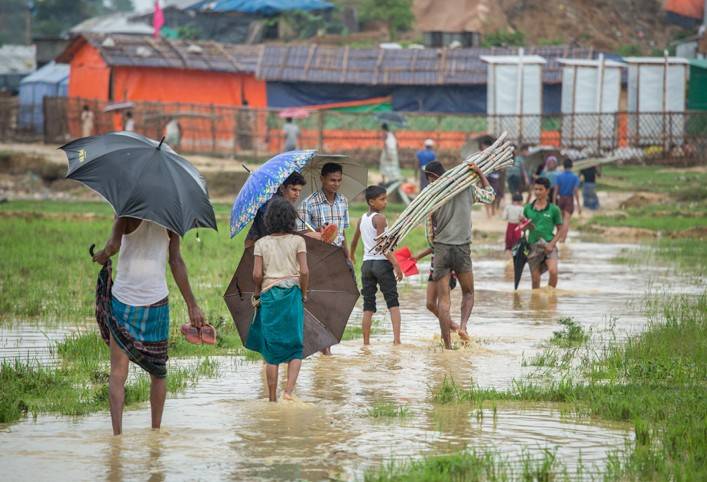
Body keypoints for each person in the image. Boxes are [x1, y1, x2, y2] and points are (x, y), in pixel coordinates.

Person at [92, 217, 205, 435]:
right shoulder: (171, 218)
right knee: (158, 372)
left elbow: (113, 246)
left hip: (123, 301)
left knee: (117, 374)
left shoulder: (126, 212)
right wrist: (192, 304)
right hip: (156, 303)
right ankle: (155, 431)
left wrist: (101, 255)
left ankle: (117, 436)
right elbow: (176, 262)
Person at [423, 160, 495, 349]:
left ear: (433, 177)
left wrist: (436, 246)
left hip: (441, 249)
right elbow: (489, 197)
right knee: (468, 292)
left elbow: (429, 233)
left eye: (429, 178)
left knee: (444, 300)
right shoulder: (467, 188)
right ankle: (462, 327)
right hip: (462, 248)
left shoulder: (431, 196)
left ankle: (447, 346)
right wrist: (480, 174)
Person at [248, 198, 309, 402]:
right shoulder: (298, 241)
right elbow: (305, 271)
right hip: (292, 295)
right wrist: (304, 292)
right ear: (291, 219)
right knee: (295, 347)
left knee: (271, 352)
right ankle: (289, 392)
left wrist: (258, 292)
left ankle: (272, 399)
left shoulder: (261, 243)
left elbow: (257, 274)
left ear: (269, 220)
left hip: (269, 296)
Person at [297, 162, 350, 355]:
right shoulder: (309, 203)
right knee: (321, 302)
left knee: (336, 302)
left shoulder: (343, 201)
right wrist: (318, 234)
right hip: (318, 258)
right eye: (332, 180)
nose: (336, 184)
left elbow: (343, 232)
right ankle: (323, 346)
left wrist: (348, 256)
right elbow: (300, 232)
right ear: (322, 179)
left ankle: (326, 344)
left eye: (339, 180)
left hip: (337, 257)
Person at [349, 186, 404, 345]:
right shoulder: (380, 218)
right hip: (381, 264)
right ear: (371, 202)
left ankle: (366, 344)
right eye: (382, 199)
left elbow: (354, 241)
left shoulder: (362, 219)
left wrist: (352, 255)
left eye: (385, 198)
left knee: (368, 306)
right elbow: (382, 245)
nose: (385, 202)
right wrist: (396, 264)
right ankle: (397, 342)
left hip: (367, 265)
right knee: (393, 303)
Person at [245, 172, 307, 249]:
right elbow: (282, 238)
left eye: (299, 191)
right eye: (294, 189)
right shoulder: (274, 208)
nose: (297, 194)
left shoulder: (280, 204)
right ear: (282, 188)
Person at [521, 177, 563, 289]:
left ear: (547, 191)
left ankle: (551, 299)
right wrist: (525, 226)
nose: (537, 192)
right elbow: (522, 229)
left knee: (553, 272)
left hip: (549, 245)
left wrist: (551, 244)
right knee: (535, 280)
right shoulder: (527, 209)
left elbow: (560, 229)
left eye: (540, 189)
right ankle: (536, 304)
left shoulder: (554, 210)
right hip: (533, 246)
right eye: (535, 189)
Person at [554, 158, 581, 243]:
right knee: (566, 220)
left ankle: (559, 237)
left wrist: (554, 202)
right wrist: (579, 205)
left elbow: (556, 190)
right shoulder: (575, 177)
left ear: (564, 166)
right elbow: (575, 191)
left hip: (560, 198)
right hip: (569, 198)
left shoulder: (559, 176)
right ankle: (563, 239)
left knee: (561, 220)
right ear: (572, 166)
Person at [478, 136, 501, 217]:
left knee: (493, 195)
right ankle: (488, 213)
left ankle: (493, 210)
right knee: (485, 194)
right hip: (485, 177)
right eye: (483, 146)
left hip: (494, 177)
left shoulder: (495, 155)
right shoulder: (480, 155)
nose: (484, 147)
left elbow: (499, 166)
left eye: (485, 146)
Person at [503, 193, 525, 257]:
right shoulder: (521, 208)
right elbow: (522, 218)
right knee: (516, 240)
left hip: (510, 225)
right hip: (517, 226)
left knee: (508, 240)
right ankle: (515, 256)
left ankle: (508, 255)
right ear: (521, 201)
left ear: (512, 200)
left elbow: (504, 217)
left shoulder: (508, 207)